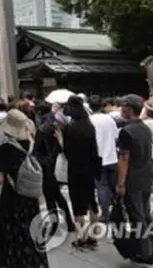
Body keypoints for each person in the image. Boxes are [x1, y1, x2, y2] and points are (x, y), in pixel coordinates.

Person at [0, 109, 47, 268]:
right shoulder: (32, 143)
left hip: (12, 199)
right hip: (31, 199)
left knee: (12, 235)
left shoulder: (5, 149)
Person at [116, 94, 153, 267]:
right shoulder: (145, 128)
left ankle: (145, 255)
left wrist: (120, 183)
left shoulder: (126, 132)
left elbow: (124, 159)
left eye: (123, 107)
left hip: (132, 179)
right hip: (145, 176)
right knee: (146, 215)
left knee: (137, 218)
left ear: (129, 109)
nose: (121, 110)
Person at [58, 96, 101, 249]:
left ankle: (81, 237)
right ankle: (93, 235)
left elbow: (67, 151)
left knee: (77, 205)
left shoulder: (69, 128)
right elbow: (94, 149)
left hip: (75, 169)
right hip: (89, 168)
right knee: (91, 201)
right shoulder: (89, 126)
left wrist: (60, 139)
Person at [89, 94, 119, 221]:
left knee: (101, 187)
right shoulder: (109, 119)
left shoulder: (89, 120)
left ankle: (105, 214)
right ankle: (118, 211)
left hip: (98, 158)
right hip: (112, 157)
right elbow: (116, 137)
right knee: (113, 187)